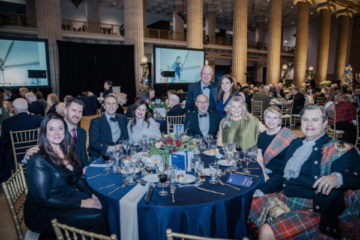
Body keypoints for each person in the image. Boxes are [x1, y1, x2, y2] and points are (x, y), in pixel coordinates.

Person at [249, 104, 360, 240]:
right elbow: (280, 174)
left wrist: (339, 178)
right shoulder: (295, 143)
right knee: (243, 204)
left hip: (311, 209)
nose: (309, 124)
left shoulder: (339, 149)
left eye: (315, 120)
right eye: (305, 119)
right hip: (283, 198)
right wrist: (260, 192)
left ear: (325, 123)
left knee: (266, 232)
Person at [24, 113, 107, 237]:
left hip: (66, 196)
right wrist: (82, 203)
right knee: (97, 216)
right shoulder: (37, 159)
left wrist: (91, 194)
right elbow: (44, 198)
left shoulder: (67, 150)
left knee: (103, 204)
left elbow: (77, 178)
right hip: (42, 211)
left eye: (60, 128)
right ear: (44, 132)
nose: (57, 132)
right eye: (51, 129)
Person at [26, 99, 89, 169]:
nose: (77, 115)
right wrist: (28, 154)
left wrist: (85, 168)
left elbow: (84, 156)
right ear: (65, 111)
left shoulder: (82, 132)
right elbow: (42, 150)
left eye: (80, 112)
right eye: (74, 110)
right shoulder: (57, 134)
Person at [0, 99, 42, 181]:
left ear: (15, 109)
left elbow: (3, 142)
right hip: (35, 152)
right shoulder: (38, 119)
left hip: (16, 156)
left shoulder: (7, 122)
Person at [256, 106, 297, 181]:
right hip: (266, 171)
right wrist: (263, 173)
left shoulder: (287, 135)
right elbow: (259, 158)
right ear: (264, 118)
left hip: (282, 174)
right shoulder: (261, 136)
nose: (271, 120)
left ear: (279, 120)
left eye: (275, 118)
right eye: (268, 117)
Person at [88, 94, 129, 160]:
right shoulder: (96, 122)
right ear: (104, 106)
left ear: (117, 106)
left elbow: (127, 137)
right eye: (108, 103)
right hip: (101, 156)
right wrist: (110, 148)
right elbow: (93, 144)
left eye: (113, 103)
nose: (111, 106)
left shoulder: (122, 118)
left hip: (119, 155)